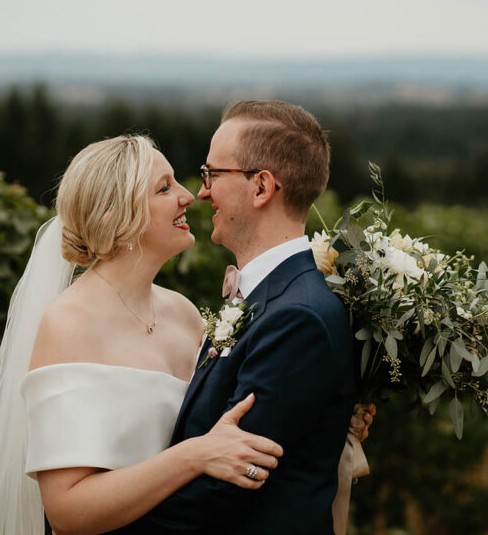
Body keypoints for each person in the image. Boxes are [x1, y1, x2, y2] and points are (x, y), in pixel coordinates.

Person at [0, 135, 284, 535]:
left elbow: (230, 426)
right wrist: (194, 456)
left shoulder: (185, 314)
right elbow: (67, 511)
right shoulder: (69, 324)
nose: (189, 196)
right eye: (164, 188)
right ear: (114, 217)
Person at [113, 100, 357, 535]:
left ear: (261, 188)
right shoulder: (266, 295)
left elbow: (223, 490)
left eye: (212, 175)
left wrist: (102, 517)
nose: (201, 192)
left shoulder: (297, 317)